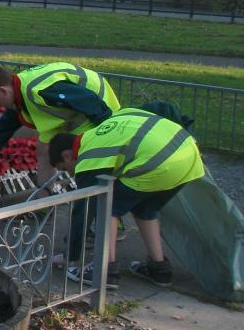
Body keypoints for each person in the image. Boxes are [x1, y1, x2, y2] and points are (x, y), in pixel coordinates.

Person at [48, 108, 206, 289]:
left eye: (65, 168)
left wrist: (72, 256)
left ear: (67, 155)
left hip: (159, 162)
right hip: (189, 156)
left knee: (107, 206)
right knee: (145, 210)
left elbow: (82, 211)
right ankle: (159, 269)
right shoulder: (104, 129)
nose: (70, 173)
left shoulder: (88, 156)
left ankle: (104, 270)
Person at [0, 62, 121, 182]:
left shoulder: (40, 91)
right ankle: (44, 202)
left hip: (100, 108)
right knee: (44, 149)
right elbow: (6, 126)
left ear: (3, 91)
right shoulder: (18, 89)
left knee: (81, 159)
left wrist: (107, 130)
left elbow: (89, 101)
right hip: (77, 112)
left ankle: (91, 197)